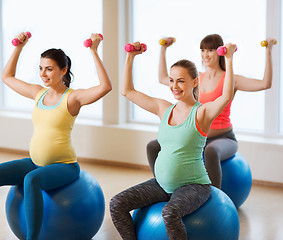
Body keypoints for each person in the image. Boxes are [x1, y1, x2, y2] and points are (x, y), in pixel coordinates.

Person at [110, 41, 236, 240]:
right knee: (117, 203)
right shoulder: (164, 108)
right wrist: (130, 57)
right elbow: (127, 91)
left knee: (169, 213)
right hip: (162, 184)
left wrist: (228, 59)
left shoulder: (202, 112)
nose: (174, 86)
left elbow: (226, 95)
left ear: (194, 82)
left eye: (181, 81)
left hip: (193, 186)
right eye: (171, 80)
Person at [0, 32, 111, 240]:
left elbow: (106, 87)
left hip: (64, 166)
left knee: (31, 180)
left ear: (64, 70)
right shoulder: (38, 93)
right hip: (35, 162)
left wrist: (94, 51)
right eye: (41, 68)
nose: (43, 74)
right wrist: (18, 48)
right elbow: (6, 77)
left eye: (49, 69)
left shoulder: (72, 98)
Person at [146, 34, 276, 188]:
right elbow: (163, 78)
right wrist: (163, 49)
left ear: (220, 52)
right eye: (202, 50)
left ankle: (214, 197)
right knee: (153, 146)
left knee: (211, 151)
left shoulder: (230, 79)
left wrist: (268, 51)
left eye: (210, 50)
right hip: (195, 138)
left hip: (223, 138)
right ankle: (162, 186)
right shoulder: (197, 78)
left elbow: (265, 84)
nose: (205, 54)